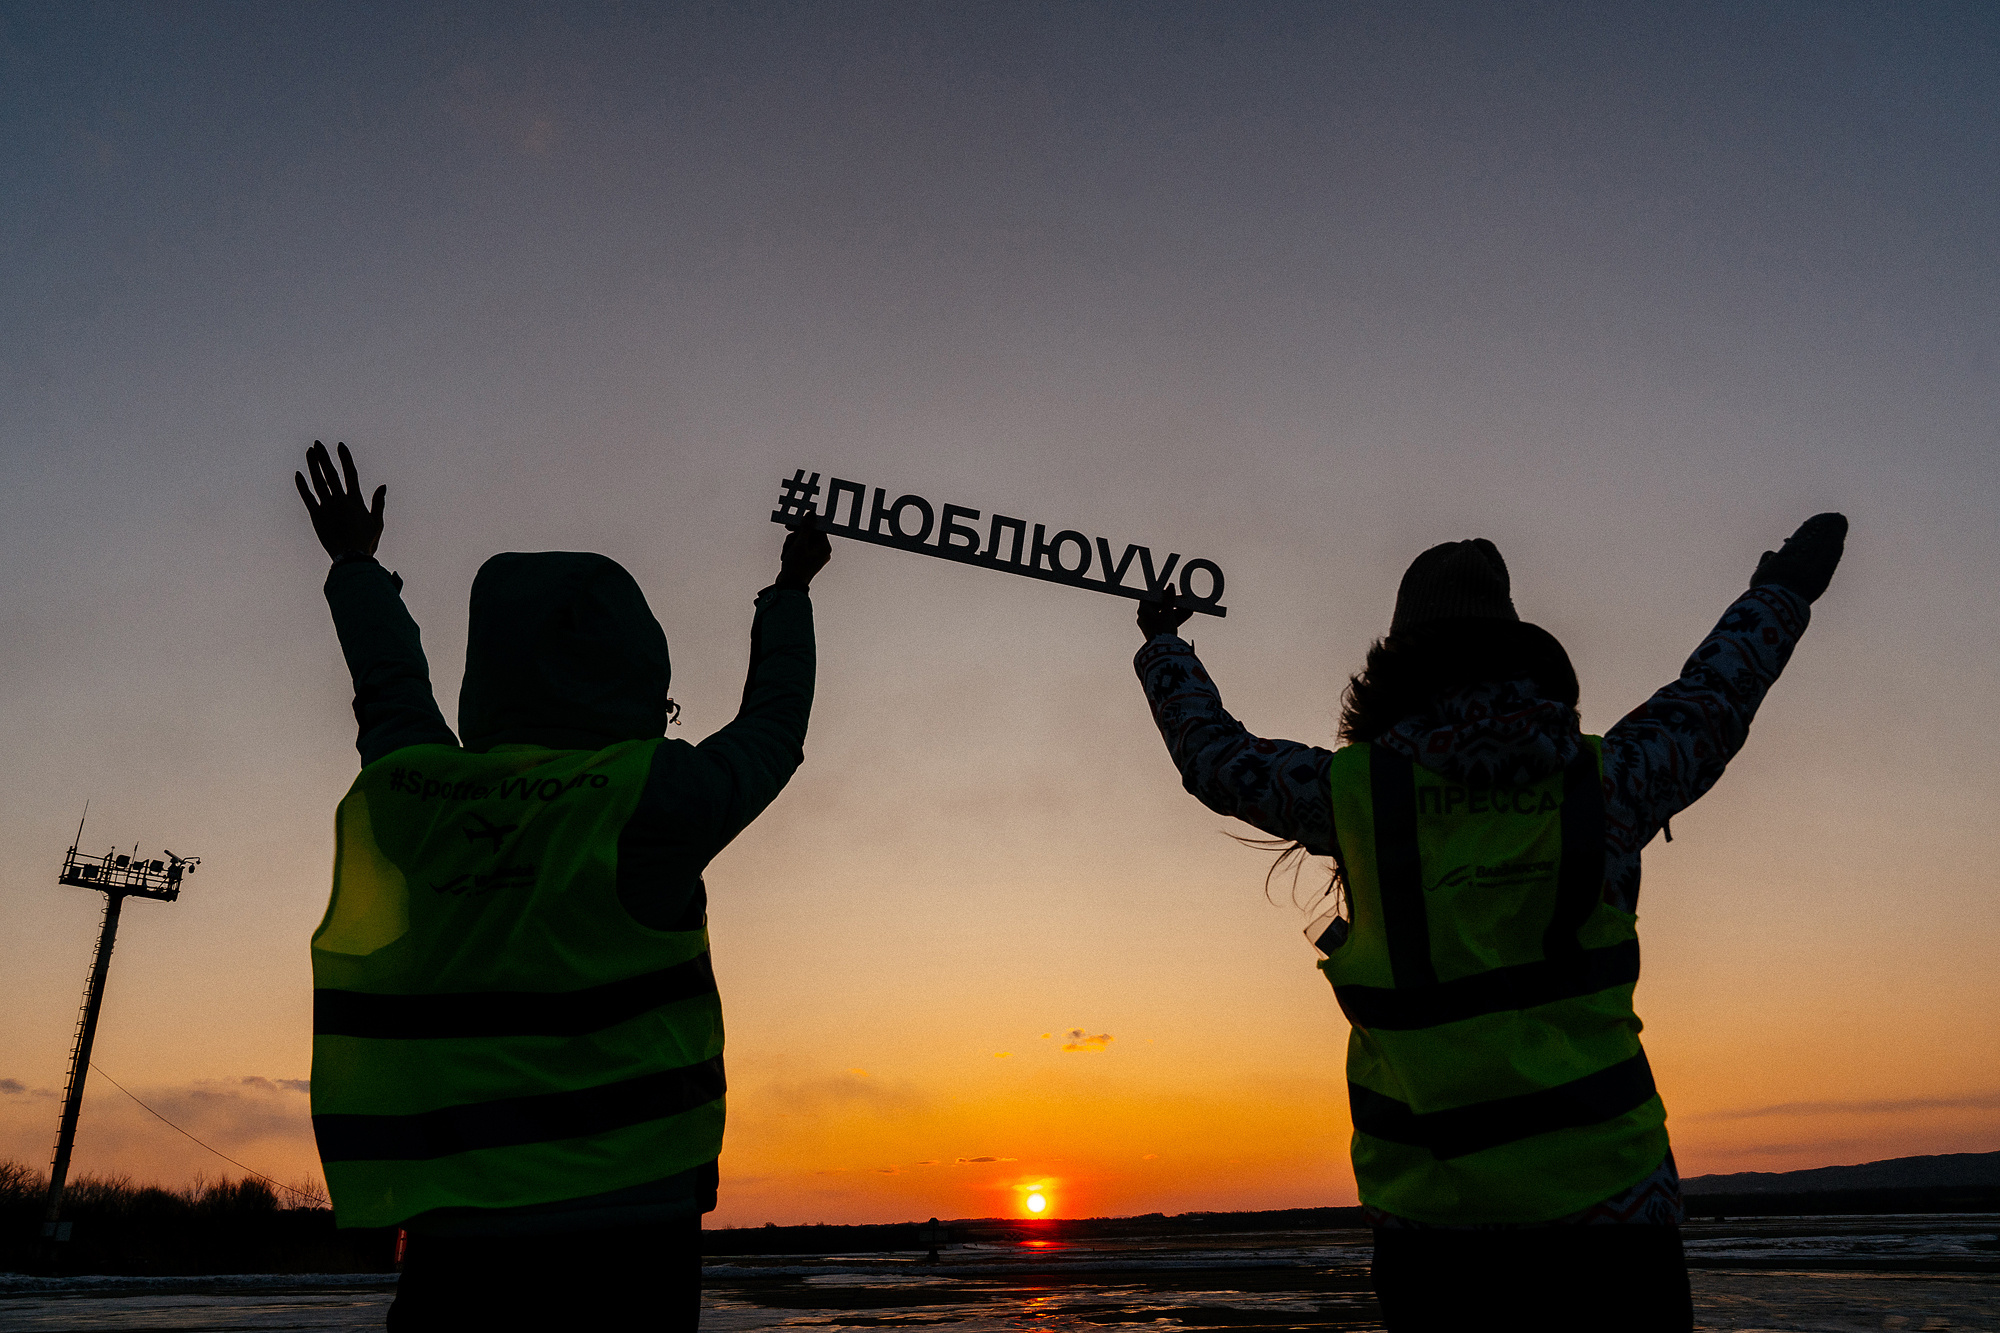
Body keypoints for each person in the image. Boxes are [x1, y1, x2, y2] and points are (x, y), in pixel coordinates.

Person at [1132, 514, 1847, 1332]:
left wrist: (1164, 645)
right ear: (1521, 656)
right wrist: (1781, 591)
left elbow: (1215, 757)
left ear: (1392, 668)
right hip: (1614, 1211)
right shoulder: (1606, 781)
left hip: (1436, 1232)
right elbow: (1714, 698)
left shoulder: (1358, 795)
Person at [294, 441, 830, 1330]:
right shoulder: (652, 796)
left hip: (456, 1225)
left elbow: (388, 690)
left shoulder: (422, 796)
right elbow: (774, 727)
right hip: (635, 1225)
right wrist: (791, 588)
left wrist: (353, 564)